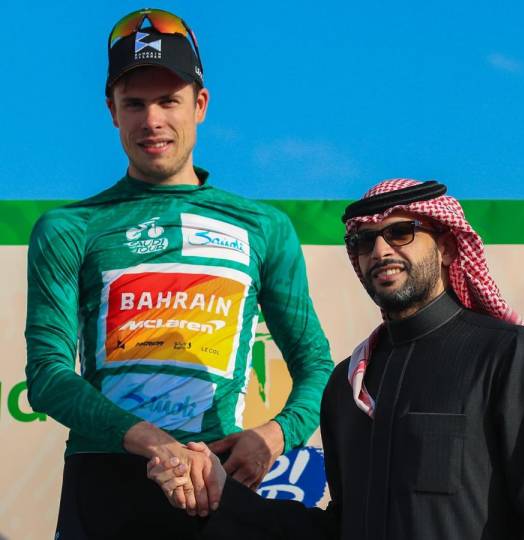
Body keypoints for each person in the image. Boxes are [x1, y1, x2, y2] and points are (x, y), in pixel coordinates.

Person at [24, 7, 332, 539]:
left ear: (200, 104)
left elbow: (317, 365)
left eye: (169, 100)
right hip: (105, 483)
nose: (152, 120)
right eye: (134, 103)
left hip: (214, 479)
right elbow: (48, 375)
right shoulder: (69, 227)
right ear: (112, 111)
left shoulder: (263, 227)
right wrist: (152, 442)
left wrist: (274, 437)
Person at [154, 178, 524, 539]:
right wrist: (224, 492)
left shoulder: (510, 354)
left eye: (401, 232)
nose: (380, 250)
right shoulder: (348, 386)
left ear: (448, 248)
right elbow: (341, 527)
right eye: (364, 240)